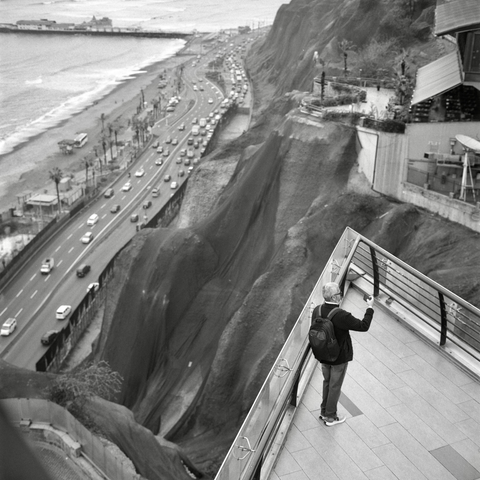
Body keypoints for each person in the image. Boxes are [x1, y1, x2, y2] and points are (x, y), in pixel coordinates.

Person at [313, 282, 374, 426]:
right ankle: (330, 417)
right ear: (334, 298)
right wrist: (370, 307)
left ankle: (324, 411)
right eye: (339, 293)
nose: (340, 295)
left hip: (322, 355)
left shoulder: (317, 310)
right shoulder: (341, 315)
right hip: (338, 358)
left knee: (327, 382)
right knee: (335, 386)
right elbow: (363, 326)